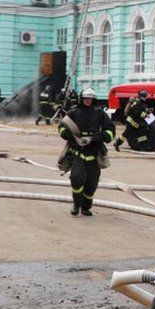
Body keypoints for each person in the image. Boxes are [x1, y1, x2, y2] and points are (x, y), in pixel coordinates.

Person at [58, 87, 115, 216]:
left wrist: (97, 138)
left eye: (90, 99)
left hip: (94, 153)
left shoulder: (100, 113)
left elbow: (110, 129)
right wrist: (72, 137)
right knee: (77, 179)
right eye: (86, 99)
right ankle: (76, 204)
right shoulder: (74, 112)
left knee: (92, 183)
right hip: (77, 151)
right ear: (81, 99)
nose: (88, 101)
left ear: (93, 100)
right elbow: (62, 127)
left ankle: (86, 207)